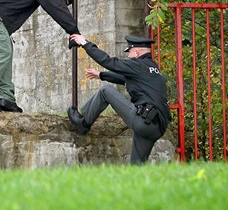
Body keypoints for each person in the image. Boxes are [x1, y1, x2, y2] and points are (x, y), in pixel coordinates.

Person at [67, 34, 171, 164]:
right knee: (136, 168)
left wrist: (85, 43)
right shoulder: (152, 68)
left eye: (130, 52)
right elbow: (126, 79)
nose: (128, 56)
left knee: (106, 91)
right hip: (156, 128)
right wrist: (101, 75)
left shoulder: (137, 64)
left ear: (137, 52)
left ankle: (83, 123)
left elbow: (108, 62)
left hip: (143, 121)